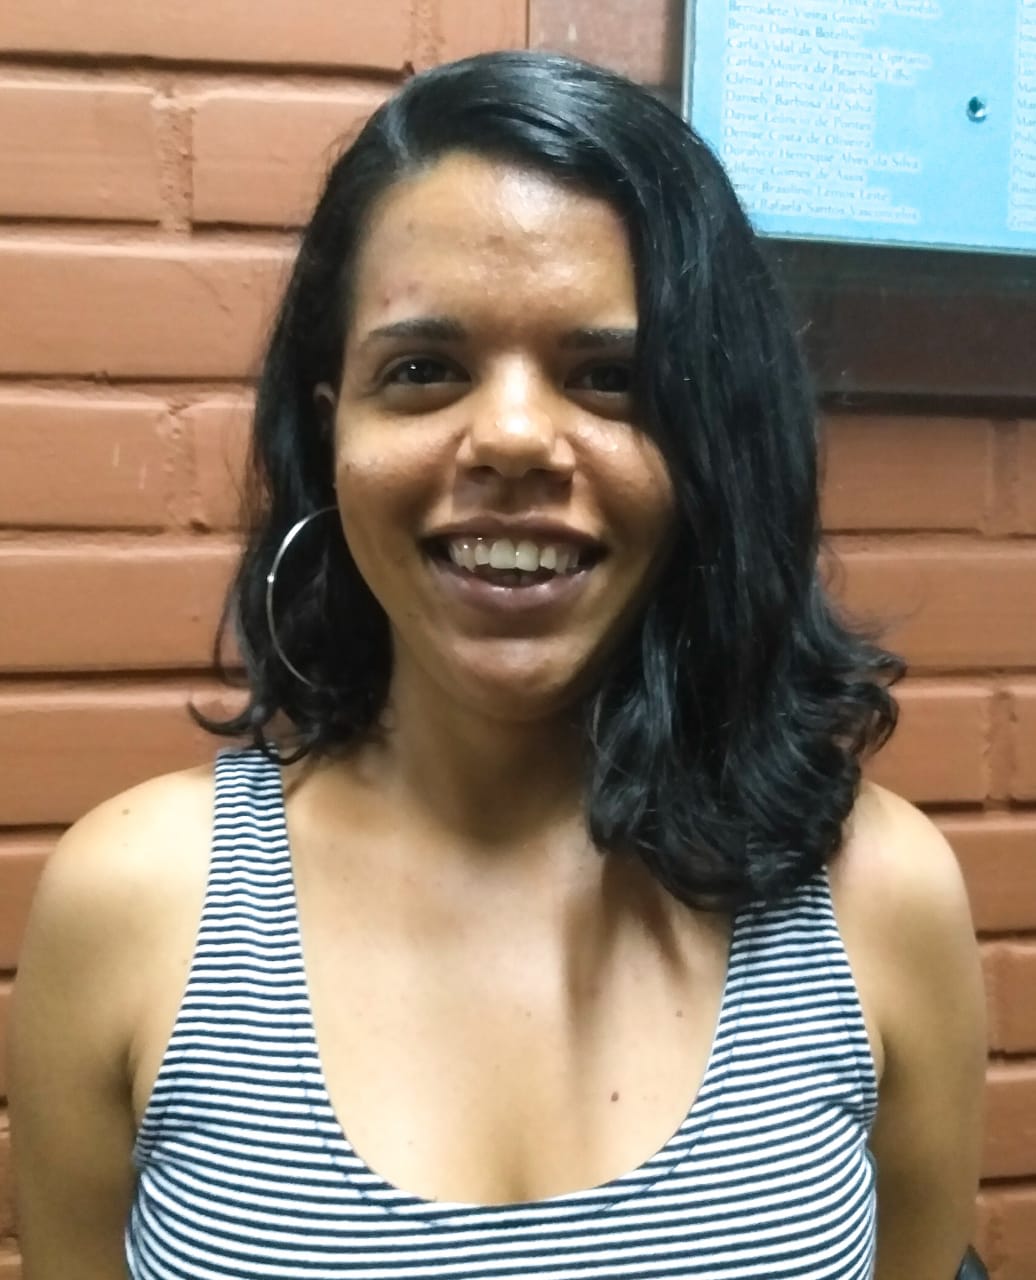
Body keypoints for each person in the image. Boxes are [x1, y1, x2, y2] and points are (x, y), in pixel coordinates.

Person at [9, 50, 985, 1280]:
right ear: (332, 425)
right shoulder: (134, 902)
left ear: (715, 440)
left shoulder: (878, 897)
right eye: (422, 370)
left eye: (611, 378)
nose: (514, 437)